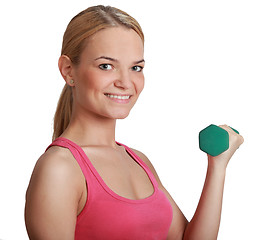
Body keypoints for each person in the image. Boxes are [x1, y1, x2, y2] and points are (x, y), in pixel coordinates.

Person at [24, 5, 244, 240]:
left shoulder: (138, 161)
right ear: (68, 70)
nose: (126, 82)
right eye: (106, 66)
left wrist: (217, 166)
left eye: (136, 68)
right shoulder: (59, 169)